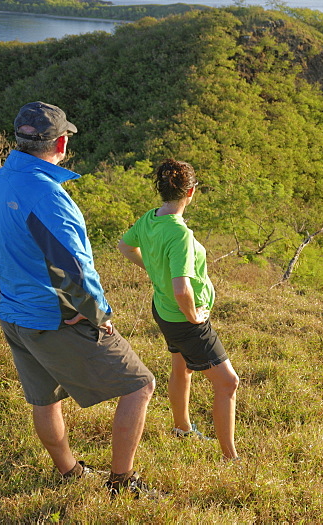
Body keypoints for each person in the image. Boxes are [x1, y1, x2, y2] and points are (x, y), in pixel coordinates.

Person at [0, 101, 158, 499]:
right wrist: (95, 314)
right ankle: (123, 483)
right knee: (140, 385)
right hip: (55, 318)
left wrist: (1, 257)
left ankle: (69, 471)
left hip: (14, 314)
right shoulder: (49, 196)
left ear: (19, 138)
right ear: (62, 142)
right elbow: (75, 270)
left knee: (45, 398)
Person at [118, 159, 239, 461]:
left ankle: (182, 428)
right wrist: (194, 316)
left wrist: (153, 266)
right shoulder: (179, 233)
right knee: (228, 383)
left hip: (164, 311)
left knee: (181, 367)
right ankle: (230, 457)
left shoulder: (150, 219)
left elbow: (124, 245)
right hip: (183, 319)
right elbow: (181, 288)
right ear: (191, 192)